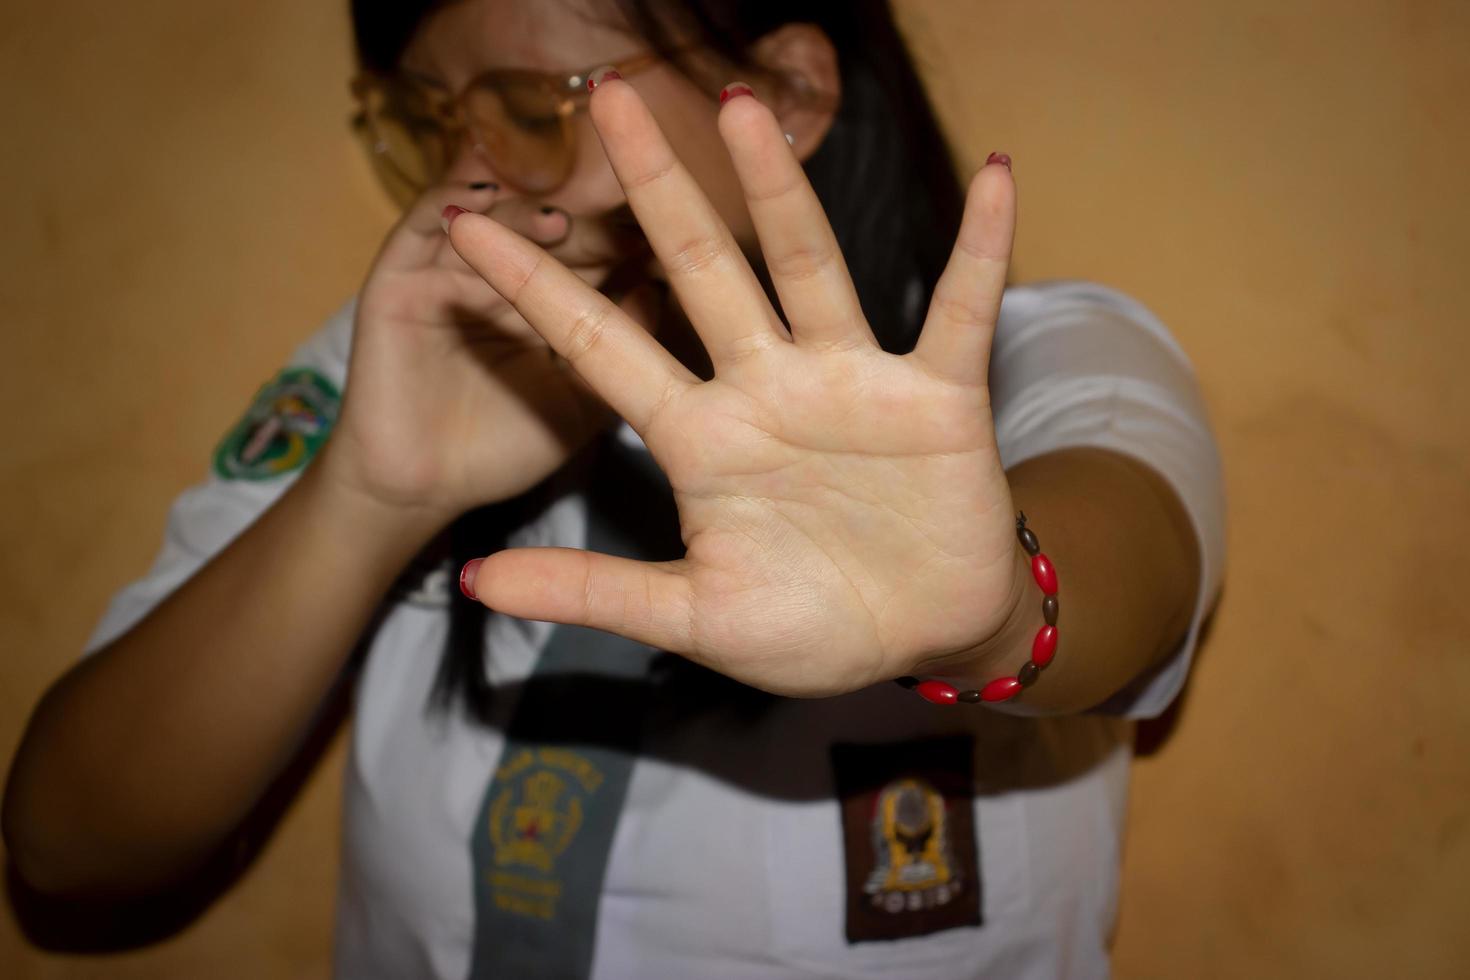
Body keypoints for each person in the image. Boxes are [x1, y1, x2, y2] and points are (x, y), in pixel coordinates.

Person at [2, 1, 1226, 977]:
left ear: (791, 88)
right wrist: (373, 493)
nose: (475, 170)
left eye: (531, 106)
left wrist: (998, 611)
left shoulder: (1039, 363)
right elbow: (66, 846)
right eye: (432, 122)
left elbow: (1137, 568)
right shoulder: (409, 353)